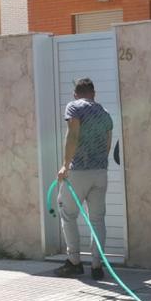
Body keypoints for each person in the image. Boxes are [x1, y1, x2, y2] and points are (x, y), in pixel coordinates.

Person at [54, 77, 114, 280]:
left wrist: (65, 164)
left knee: (68, 214)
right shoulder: (105, 113)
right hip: (100, 172)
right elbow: (107, 145)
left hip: (79, 171)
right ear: (93, 93)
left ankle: (74, 261)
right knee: (97, 219)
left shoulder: (74, 107)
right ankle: (97, 266)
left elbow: (73, 135)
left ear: (75, 94)